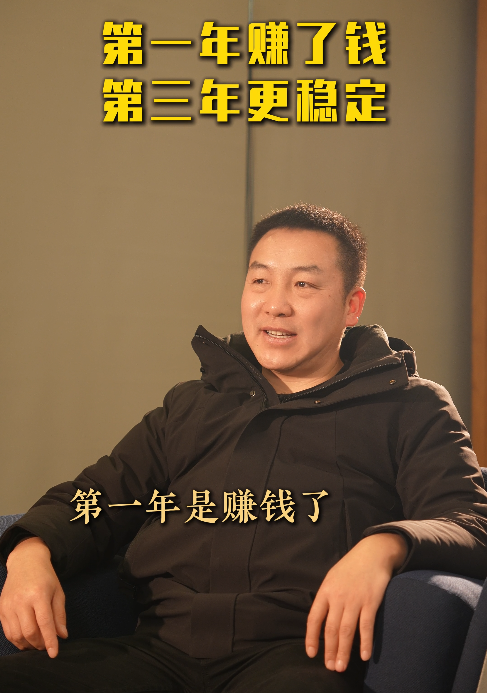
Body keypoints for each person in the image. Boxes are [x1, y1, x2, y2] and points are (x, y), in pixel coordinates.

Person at [1, 203, 487, 693]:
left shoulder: (410, 406)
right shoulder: (193, 404)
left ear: (352, 306)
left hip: (298, 660)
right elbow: (99, 497)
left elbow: (469, 520)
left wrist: (383, 546)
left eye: (303, 284)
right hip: (156, 653)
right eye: (260, 281)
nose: (275, 305)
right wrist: (30, 552)